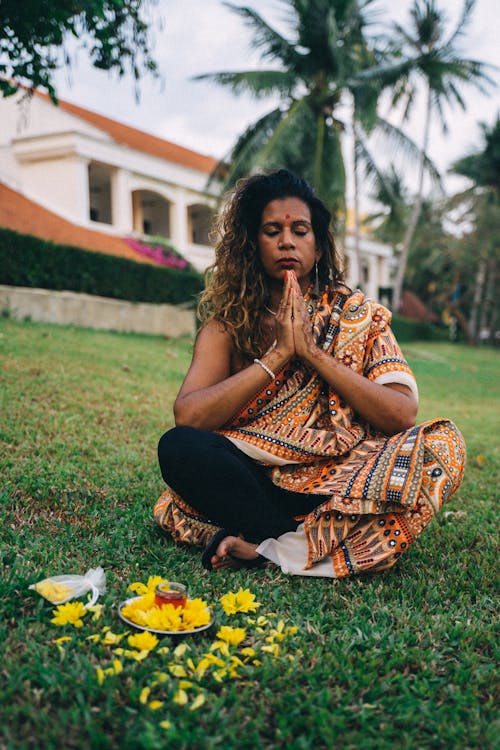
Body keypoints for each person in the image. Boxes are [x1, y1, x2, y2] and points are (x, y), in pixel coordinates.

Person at [155, 169, 466, 577]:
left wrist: (313, 354)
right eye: (272, 231)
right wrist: (280, 355)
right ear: (253, 245)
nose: (286, 240)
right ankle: (294, 542)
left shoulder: (357, 316)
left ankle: (269, 546)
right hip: (256, 482)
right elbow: (189, 418)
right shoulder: (227, 326)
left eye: (300, 230)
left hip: (340, 485)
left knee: (443, 446)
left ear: (317, 248)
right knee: (179, 448)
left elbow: (400, 414)